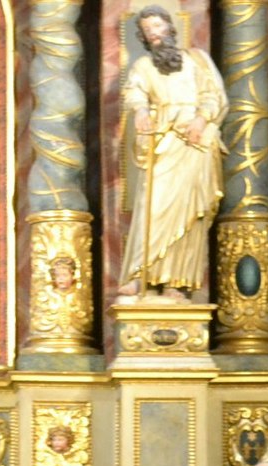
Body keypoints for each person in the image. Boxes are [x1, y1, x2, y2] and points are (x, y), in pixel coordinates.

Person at [113, 5, 226, 302]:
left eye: (159, 27)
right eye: (149, 31)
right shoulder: (143, 67)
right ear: (144, 37)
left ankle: (178, 281)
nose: (155, 34)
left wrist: (201, 120)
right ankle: (140, 276)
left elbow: (212, 95)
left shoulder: (196, 60)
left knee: (188, 212)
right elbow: (134, 92)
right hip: (163, 142)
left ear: (170, 29)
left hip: (195, 140)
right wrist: (140, 111)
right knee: (154, 206)